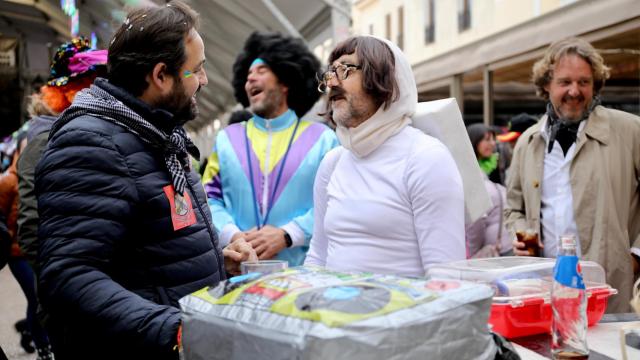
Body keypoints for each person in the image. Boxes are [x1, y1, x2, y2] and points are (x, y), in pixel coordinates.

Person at [35, 2, 255, 359]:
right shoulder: (92, 142)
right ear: (160, 76)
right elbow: (69, 277)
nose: (205, 81)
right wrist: (176, 329)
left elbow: (148, 245)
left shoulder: (155, 134)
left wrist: (216, 260)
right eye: (196, 70)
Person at [304, 36, 465, 276]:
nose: (332, 83)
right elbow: (318, 255)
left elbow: (446, 276)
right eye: (331, 72)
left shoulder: (426, 158)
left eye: (346, 69)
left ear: (385, 80)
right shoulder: (333, 162)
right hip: (331, 311)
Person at [505, 37, 640, 313]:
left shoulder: (630, 131)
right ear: (546, 85)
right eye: (565, 82)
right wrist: (519, 236)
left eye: (584, 82)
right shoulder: (528, 142)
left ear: (596, 84)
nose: (575, 91)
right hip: (546, 291)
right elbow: (513, 208)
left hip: (611, 288)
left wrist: (636, 257)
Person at [202, 32, 338, 266]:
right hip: (241, 276)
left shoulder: (324, 139)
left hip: (304, 277)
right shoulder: (226, 139)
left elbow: (336, 201)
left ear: (285, 81)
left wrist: (289, 234)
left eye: (261, 71)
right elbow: (208, 199)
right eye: (247, 75)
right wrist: (233, 235)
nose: (251, 79)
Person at [18, 36, 107, 270]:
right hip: (63, 277)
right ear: (68, 91)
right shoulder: (43, 139)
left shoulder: (86, 130)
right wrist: (55, 275)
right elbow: (30, 222)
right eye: (89, 83)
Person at [465, 123, 511, 258]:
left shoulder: (497, 162)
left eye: (493, 139)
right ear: (474, 141)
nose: (492, 144)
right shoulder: (468, 171)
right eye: (486, 139)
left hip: (501, 243)